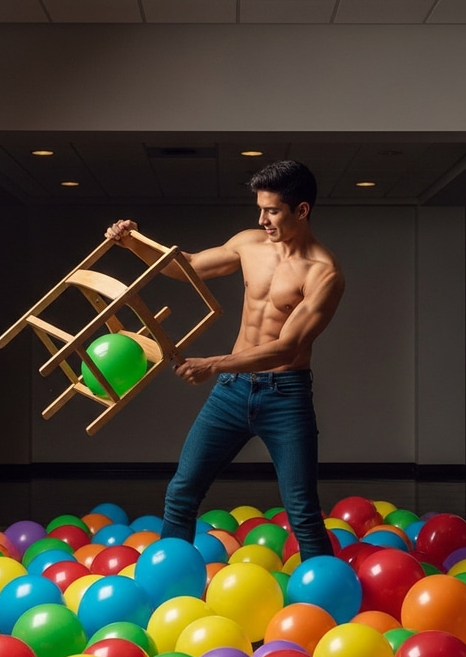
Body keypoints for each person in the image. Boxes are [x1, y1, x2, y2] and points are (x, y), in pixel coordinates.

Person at [105, 160, 345, 560]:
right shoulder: (250, 244)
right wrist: (134, 244)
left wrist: (214, 364)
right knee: (182, 491)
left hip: (285, 395)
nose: (262, 218)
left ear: (301, 210)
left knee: (302, 510)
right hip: (232, 393)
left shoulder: (325, 274)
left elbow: (288, 347)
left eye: (272, 210)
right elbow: (193, 265)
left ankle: (326, 606)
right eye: (260, 208)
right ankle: (169, 588)